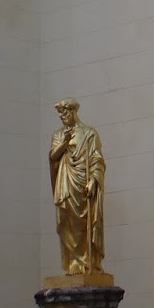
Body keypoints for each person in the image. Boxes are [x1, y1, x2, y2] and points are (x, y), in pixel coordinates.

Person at [49, 98, 106, 276]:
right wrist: (64, 143)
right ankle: (73, 262)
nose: (63, 118)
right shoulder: (58, 135)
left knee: (84, 223)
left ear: (73, 112)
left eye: (65, 113)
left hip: (83, 186)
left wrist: (93, 180)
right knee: (66, 221)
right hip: (65, 184)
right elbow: (52, 157)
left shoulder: (89, 134)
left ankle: (88, 261)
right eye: (60, 115)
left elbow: (97, 160)